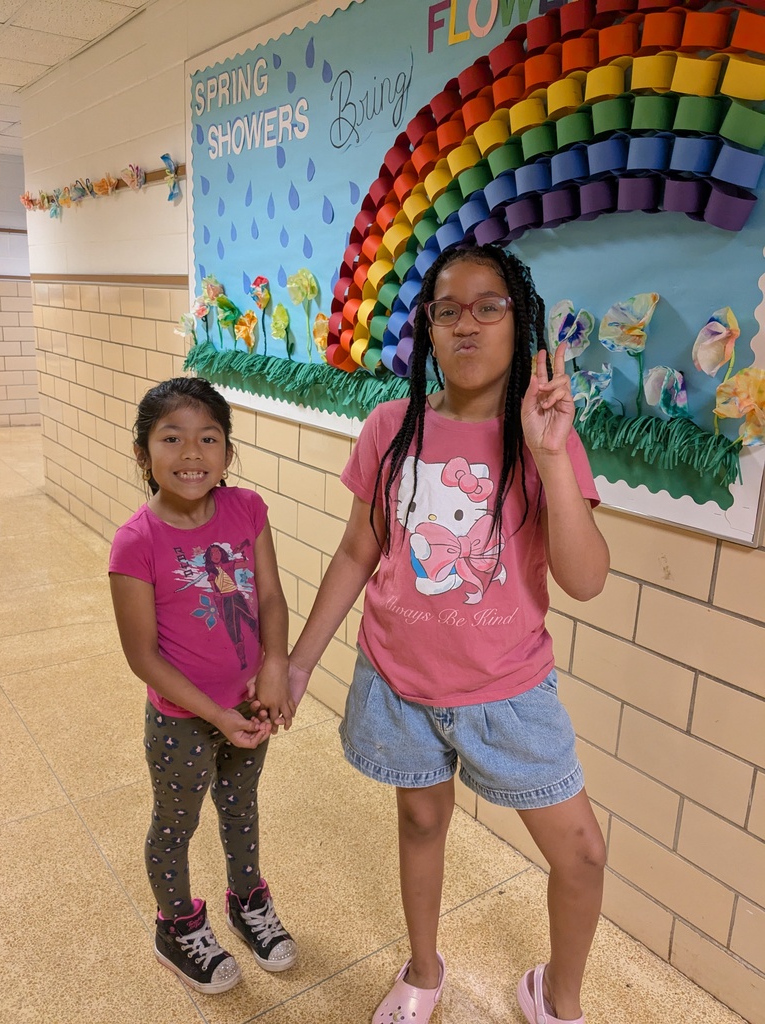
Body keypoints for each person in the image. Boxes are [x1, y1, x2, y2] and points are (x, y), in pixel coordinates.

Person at [288, 244, 610, 1024]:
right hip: (399, 681)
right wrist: (299, 664)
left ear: (520, 322)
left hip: (510, 689)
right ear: (427, 328)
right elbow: (359, 551)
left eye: (488, 306)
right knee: (422, 818)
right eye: (447, 309)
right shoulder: (392, 427)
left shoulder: (546, 439)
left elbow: (586, 579)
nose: (466, 324)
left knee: (582, 852)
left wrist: (550, 457)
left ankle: (556, 997)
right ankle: (424, 969)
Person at [109, 377, 298, 995]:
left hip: (250, 706)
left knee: (242, 808)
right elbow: (144, 658)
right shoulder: (136, 542)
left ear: (227, 453)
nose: (191, 454)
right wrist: (215, 715)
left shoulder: (247, 510)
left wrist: (274, 668)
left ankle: (247, 902)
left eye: (207, 439)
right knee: (176, 821)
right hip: (182, 719)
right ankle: (177, 925)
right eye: (172, 438)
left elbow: (269, 596)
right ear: (144, 454)